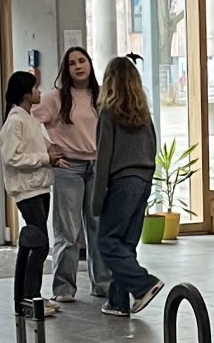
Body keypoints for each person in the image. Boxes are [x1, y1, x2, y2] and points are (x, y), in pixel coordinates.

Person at [90, 54, 162, 318]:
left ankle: (144, 284)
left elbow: (104, 157)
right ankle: (117, 301)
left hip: (122, 182)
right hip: (143, 180)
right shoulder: (143, 114)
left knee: (107, 241)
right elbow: (152, 146)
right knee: (126, 243)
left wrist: (97, 200)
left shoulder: (108, 113)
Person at [36, 45, 106, 303]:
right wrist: (48, 147)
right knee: (68, 230)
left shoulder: (101, 95)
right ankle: (64, 288)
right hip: (69, 168)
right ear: (66, 70)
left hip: (97, 166)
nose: (78, 66)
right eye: (72, 63)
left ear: (90, 63)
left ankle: (102, 284)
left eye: (82, 61)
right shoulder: (55, 98)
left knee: (98, 228)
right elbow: (28, 122)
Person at [0, 69, 59, 318]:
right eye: (35, 88)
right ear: (26, 94)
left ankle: (30, 296)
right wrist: (45, 158)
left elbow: (41, 147)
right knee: (39, 244)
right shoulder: (15, 121)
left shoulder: (29, 118)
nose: (39, 92)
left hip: (40, 187)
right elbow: (12, 157)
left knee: (37, 243)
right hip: (27, 191)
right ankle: (30, 297)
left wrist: (53, 155)